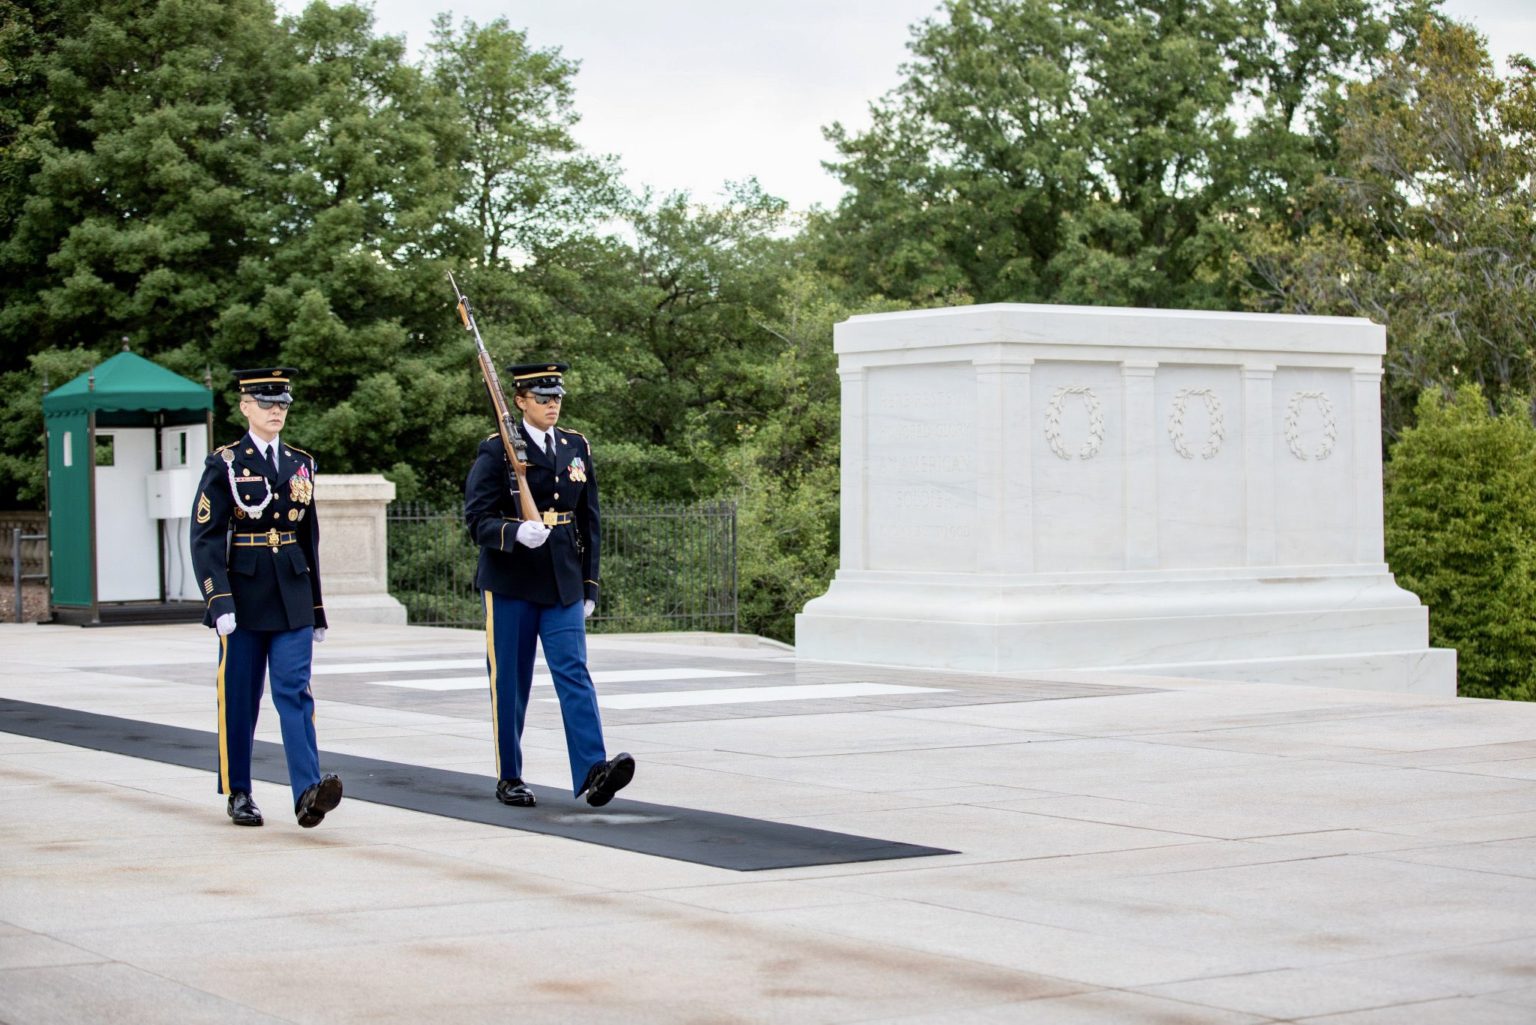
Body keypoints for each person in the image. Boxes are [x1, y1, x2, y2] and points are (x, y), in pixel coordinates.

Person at [463, 361, 634, 809]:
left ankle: (594, 770)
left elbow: (590, 520)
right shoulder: (495, 450)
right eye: (542, 398)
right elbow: (476, 520)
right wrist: (514, 531)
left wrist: (590, 585)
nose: (552, 404)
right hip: (512, 580)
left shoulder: (576, 446)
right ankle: (510, 775)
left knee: (574, 673)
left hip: (562, 578)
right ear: (520, 401)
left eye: (556, 397)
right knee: (511, 683)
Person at [189, 367, 342, 829]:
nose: (277, 410)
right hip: (245, 594)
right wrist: (218, 602)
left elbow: (308, 538)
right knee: (240, 696)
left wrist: (316, 609)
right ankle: (239, 790)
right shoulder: (226, 463)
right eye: (267, 402)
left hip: (292, 591)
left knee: (295, 692)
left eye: (282, 403)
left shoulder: (301, 463)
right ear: (245, 406)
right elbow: (205, 538)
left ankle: (307, 792)